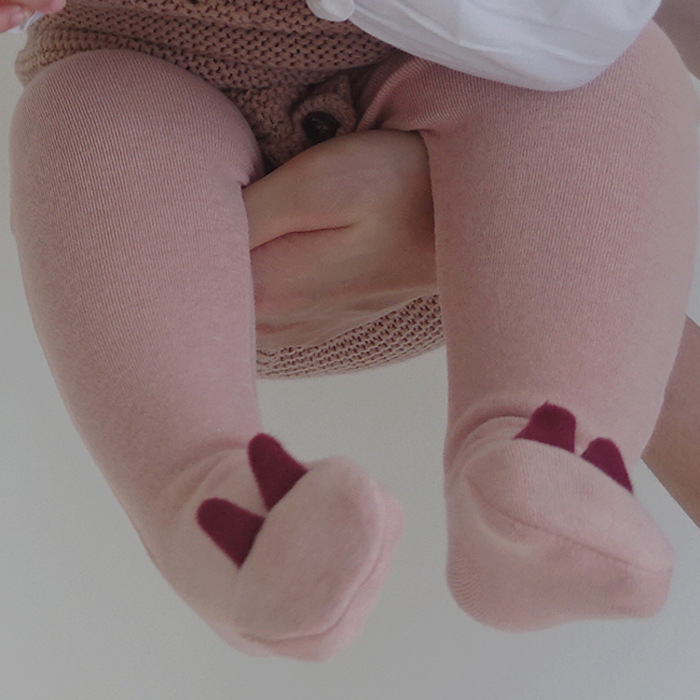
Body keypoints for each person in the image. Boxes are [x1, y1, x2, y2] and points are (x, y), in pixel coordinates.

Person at [2, 0, 699, 661]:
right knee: (81, 117)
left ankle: (552, 458)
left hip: (462, 73)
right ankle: (222, 513)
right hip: (147, 62)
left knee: (618, 75)